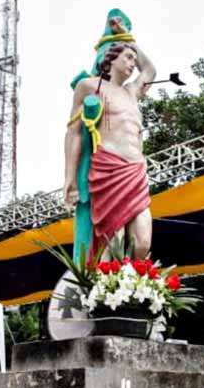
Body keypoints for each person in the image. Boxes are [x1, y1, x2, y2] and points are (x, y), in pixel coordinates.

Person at [64, 14, 155, 261]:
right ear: (111, 57)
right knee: (112, 243)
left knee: (142, 241)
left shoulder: (132, 92)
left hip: (135, 171)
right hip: (108, 169)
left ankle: (136, 290)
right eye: (127, 57)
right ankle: (110, 294)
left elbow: (150, 70)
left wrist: (129, 39)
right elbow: (74, 133)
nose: (132, 64)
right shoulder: (89, 86)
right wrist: (70, 178)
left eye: (133, 59)